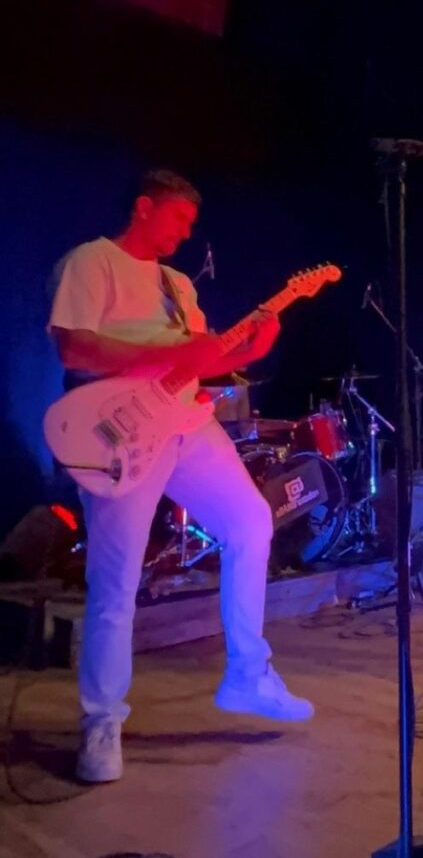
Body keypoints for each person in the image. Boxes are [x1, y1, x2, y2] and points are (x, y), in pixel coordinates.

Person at [48, 170, 314, 784]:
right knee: (115, 583)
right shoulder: (92, 262)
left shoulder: (177, 285)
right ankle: (101, 721)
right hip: (119, 433)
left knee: (250, 521)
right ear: (144, 207)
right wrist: (171, 355)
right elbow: (74, 348)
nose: (187, 232)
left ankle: (248, 674)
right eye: (179, 219)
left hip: (186, 425)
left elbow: (203, 361)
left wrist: (253, 349)